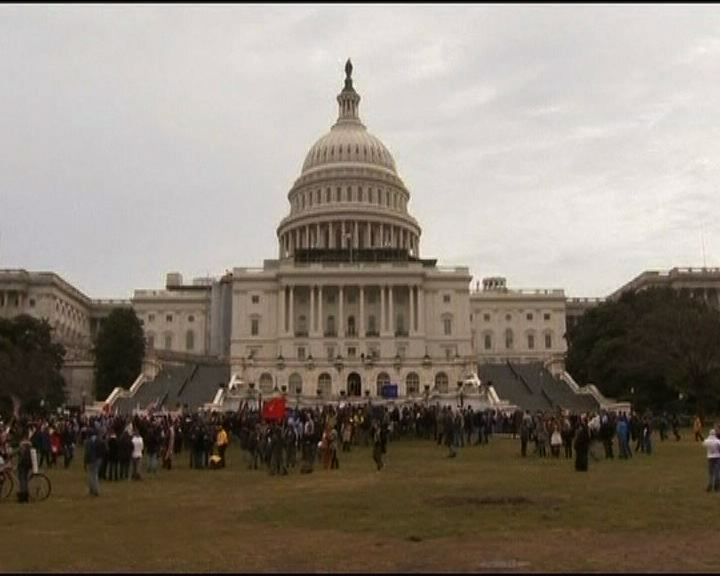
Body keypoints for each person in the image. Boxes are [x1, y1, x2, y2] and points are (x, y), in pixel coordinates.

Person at [16, 432, 33, 503]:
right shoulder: (29, 444)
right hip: (28, 464)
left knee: (22, 480)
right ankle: (26, 495)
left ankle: (23, 497)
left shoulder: (22, 445)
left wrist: (18, 465)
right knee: (25, 480)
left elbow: (21, 456)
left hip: (23, 464)